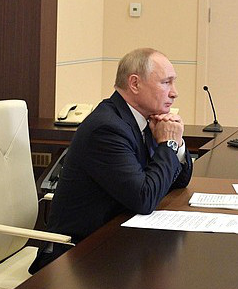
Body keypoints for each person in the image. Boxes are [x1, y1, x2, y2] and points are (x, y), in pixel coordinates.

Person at [30, 48, 193, 273]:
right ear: (134, 84)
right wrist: (168, 145)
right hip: (78, 259)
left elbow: (178, 182)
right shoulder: (107, 128)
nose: (174, 93)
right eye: (166, 83)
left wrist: (177, 144)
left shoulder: (142, 120)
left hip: (112, 242)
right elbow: (144, 199)